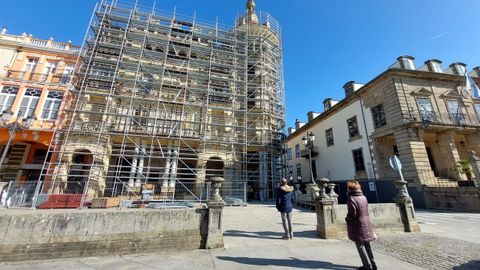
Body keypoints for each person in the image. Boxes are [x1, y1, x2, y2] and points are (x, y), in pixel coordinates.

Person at [345, 180, 377, 270]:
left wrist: (347, 219)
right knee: (367, 245)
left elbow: (352, 214)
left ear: (350, 190)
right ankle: (373, 264)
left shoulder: (351, 199)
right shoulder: (363, 197)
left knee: (360, 246)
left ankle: (367, 266)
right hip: (366, 223)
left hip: (357, 225)